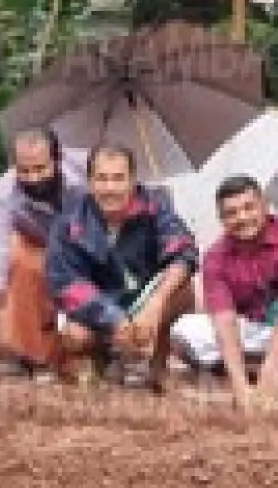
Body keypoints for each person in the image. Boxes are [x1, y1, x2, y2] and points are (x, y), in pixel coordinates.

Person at [45, 145, 200, 389]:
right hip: (96, 306)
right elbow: (63, 281)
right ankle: (103, 358)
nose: (110, 188)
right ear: (90, 182)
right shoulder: (70, 218)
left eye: (118, 178)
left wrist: (155, 304)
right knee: (75, 337)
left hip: (144, 300)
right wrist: (114, 319)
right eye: (102, 179)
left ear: (132, 180)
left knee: (182, 288)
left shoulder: (156, 204)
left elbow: (184, 251)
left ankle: (156, 363)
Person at [170, 175, 278, 412]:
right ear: (221, 219)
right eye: (231, 213)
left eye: (249, 208)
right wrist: (239, 384)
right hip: (249, 329)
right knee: (185, 330)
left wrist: (271, 364)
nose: (242, 218)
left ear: (264, 205)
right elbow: (224, 321)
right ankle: (243, 380)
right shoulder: (215, 256)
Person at [0, 128, 86, 377]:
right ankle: (34, 354)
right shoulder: (4, 192)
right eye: (24, 170)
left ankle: (105, 350)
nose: (33, 178)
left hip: (87, 253)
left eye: (40, 169)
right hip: (37, 248)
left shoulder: (88, 176)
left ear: (58, 159)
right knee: (16, 254)